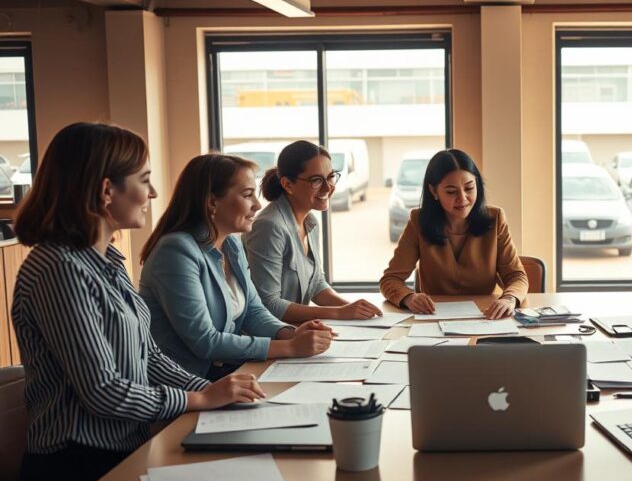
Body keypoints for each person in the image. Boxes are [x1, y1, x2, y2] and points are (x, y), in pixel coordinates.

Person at [12, 123, 265, 481]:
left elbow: (148, 356)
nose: (153, 194)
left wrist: (217, 392)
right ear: (106, 190)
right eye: (144, 181)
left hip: (123, 450)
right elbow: (102, 390)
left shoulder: (107, 263)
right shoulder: (58, 269)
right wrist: (200, 400)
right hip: (76, 467)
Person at [140, 154, 334, 380]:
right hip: (186, 385)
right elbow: (206, 342)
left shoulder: (231, 242)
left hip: (225, 373)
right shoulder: (175, 251)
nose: (258, 205)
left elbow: (253, 311)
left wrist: (290, 333)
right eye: (247, 195)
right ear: (212, 201)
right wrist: (290, 347)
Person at [244, 140, 382, 323]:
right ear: (287, 185)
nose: (328, 187)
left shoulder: (310, 222)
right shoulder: (269, 226)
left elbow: (316, 284)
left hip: (298, 332)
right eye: (316, 180)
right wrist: (340, 313)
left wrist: (352, 308)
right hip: (271, 340)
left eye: (331, 176)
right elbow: (268, 304)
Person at [379, 149, 528, 319]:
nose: (463, 198)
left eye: (469, 188)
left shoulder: (495, 218)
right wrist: (409, 297)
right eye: (451, 192)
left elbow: (517, 276)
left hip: (485, 317)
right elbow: (390, 280)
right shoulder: (418, 221)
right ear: (434, 192)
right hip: (434, 319)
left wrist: (509, 299)